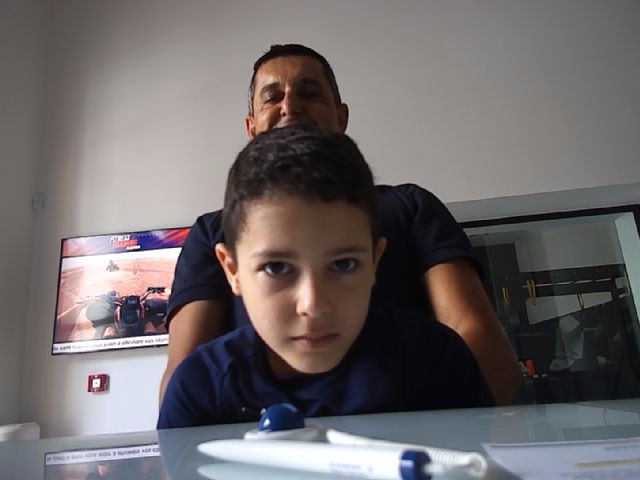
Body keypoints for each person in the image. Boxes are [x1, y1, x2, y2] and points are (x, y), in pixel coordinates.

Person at [160, 44, 520, 406]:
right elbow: (185, 370)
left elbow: (472, 332)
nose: (290, 106)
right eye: (272, 97)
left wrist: (463, 426)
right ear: (251, 126)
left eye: (309, 93)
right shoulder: (211, 232)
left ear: (341, 115)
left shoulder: (412, 207)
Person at [157, 124, 493, 428]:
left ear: (374, 261)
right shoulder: (199, 389)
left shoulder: (438, 359)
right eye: (276, 267)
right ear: (232, 271)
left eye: (343, 264)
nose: (313, 305)